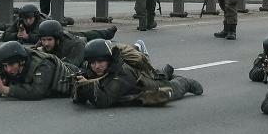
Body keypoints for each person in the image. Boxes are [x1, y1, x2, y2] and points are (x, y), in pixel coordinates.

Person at [72, 39, 203, 108]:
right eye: (93, 63)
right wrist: (78, 84)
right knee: (159, 74)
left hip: (143, 84)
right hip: (132, 82)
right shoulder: (90, 69)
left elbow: (104, 101)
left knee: (170, 88)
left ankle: (183, 81)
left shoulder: (121, 73)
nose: (97, 66)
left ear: (109, 60)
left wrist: (86, 86)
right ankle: (165, 72)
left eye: (101, 62)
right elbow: (79, 100)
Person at [0, 41, 74, 100]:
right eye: (5, 66)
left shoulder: (42, 64)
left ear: (21, 61)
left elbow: (37, 92)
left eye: (11, 65)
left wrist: (6, 89)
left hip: (70, 77)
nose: (8, 69)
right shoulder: (10, 67)